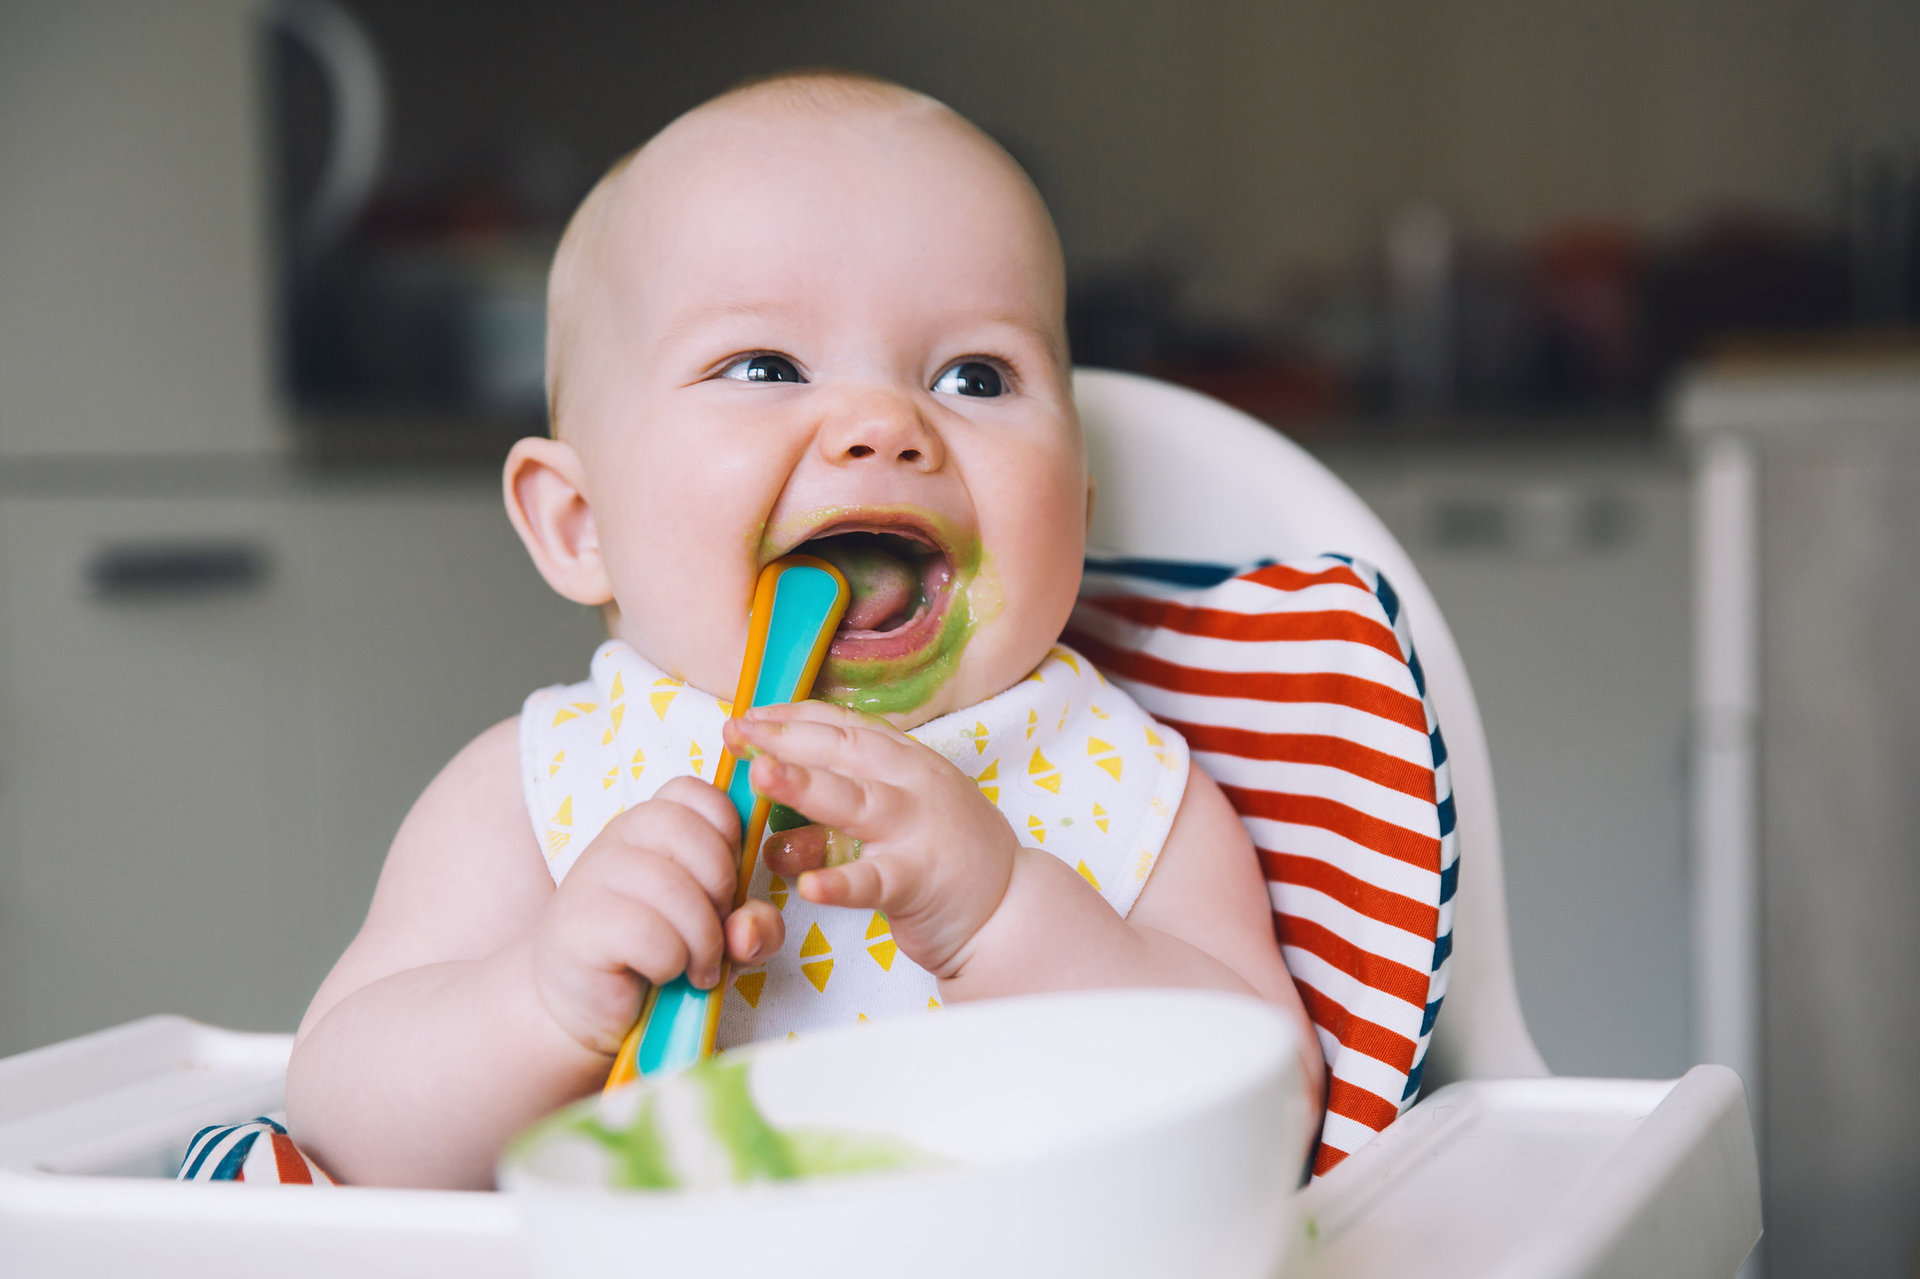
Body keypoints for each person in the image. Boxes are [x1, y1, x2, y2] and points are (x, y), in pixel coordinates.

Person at [285, 70, 1323, 1189]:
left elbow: (1265, 1109)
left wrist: (1007, 912)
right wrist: (538, 1001)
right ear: (581, 524)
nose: (886, 423)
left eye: (976, 375)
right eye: (765, 366)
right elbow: (342, 1125)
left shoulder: (1124, 786)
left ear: (1075, 515)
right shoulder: (536, 794)